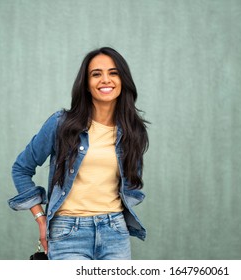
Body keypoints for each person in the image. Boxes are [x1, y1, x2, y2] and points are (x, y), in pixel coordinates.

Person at [8, 47, 149, 260]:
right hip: (67, 233)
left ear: (123, 80)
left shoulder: (133, 130)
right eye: (96, 74)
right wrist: (40, 218)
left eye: (113, 73)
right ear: (85, 84)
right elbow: (21, 168)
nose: (105, 80)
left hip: (115, 232)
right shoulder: (61, 124)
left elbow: (132, 183)